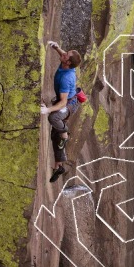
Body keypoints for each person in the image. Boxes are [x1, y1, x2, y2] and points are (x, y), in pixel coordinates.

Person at [40, 41, 83, 182]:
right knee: (55, 136)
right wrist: (56, 47)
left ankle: (65, 133)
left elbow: (63, 102)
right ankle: (58, 166)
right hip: (65, 101)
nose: (63, 54)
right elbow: (65, 55)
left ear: (68, 62)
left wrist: (47, 110)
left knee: (53, 118)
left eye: (66, 54)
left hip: (69, 104)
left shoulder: (66, 78)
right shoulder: (67, 65)